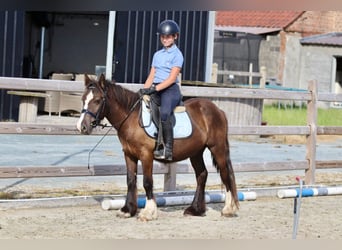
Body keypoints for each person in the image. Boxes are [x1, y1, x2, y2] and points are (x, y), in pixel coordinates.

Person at [139, 20, 184, 161]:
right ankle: (155, 141)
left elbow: (171, 79)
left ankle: (168, 149)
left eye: (168, 36)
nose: (165, 39)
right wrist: (145, 90)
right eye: (163, 37)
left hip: (170, 90)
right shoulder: (157, 55)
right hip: (156, 89)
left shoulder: (178, 55)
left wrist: (154, 89)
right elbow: (152, 75)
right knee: (144, 107)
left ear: (175, 36)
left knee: (164, 113)